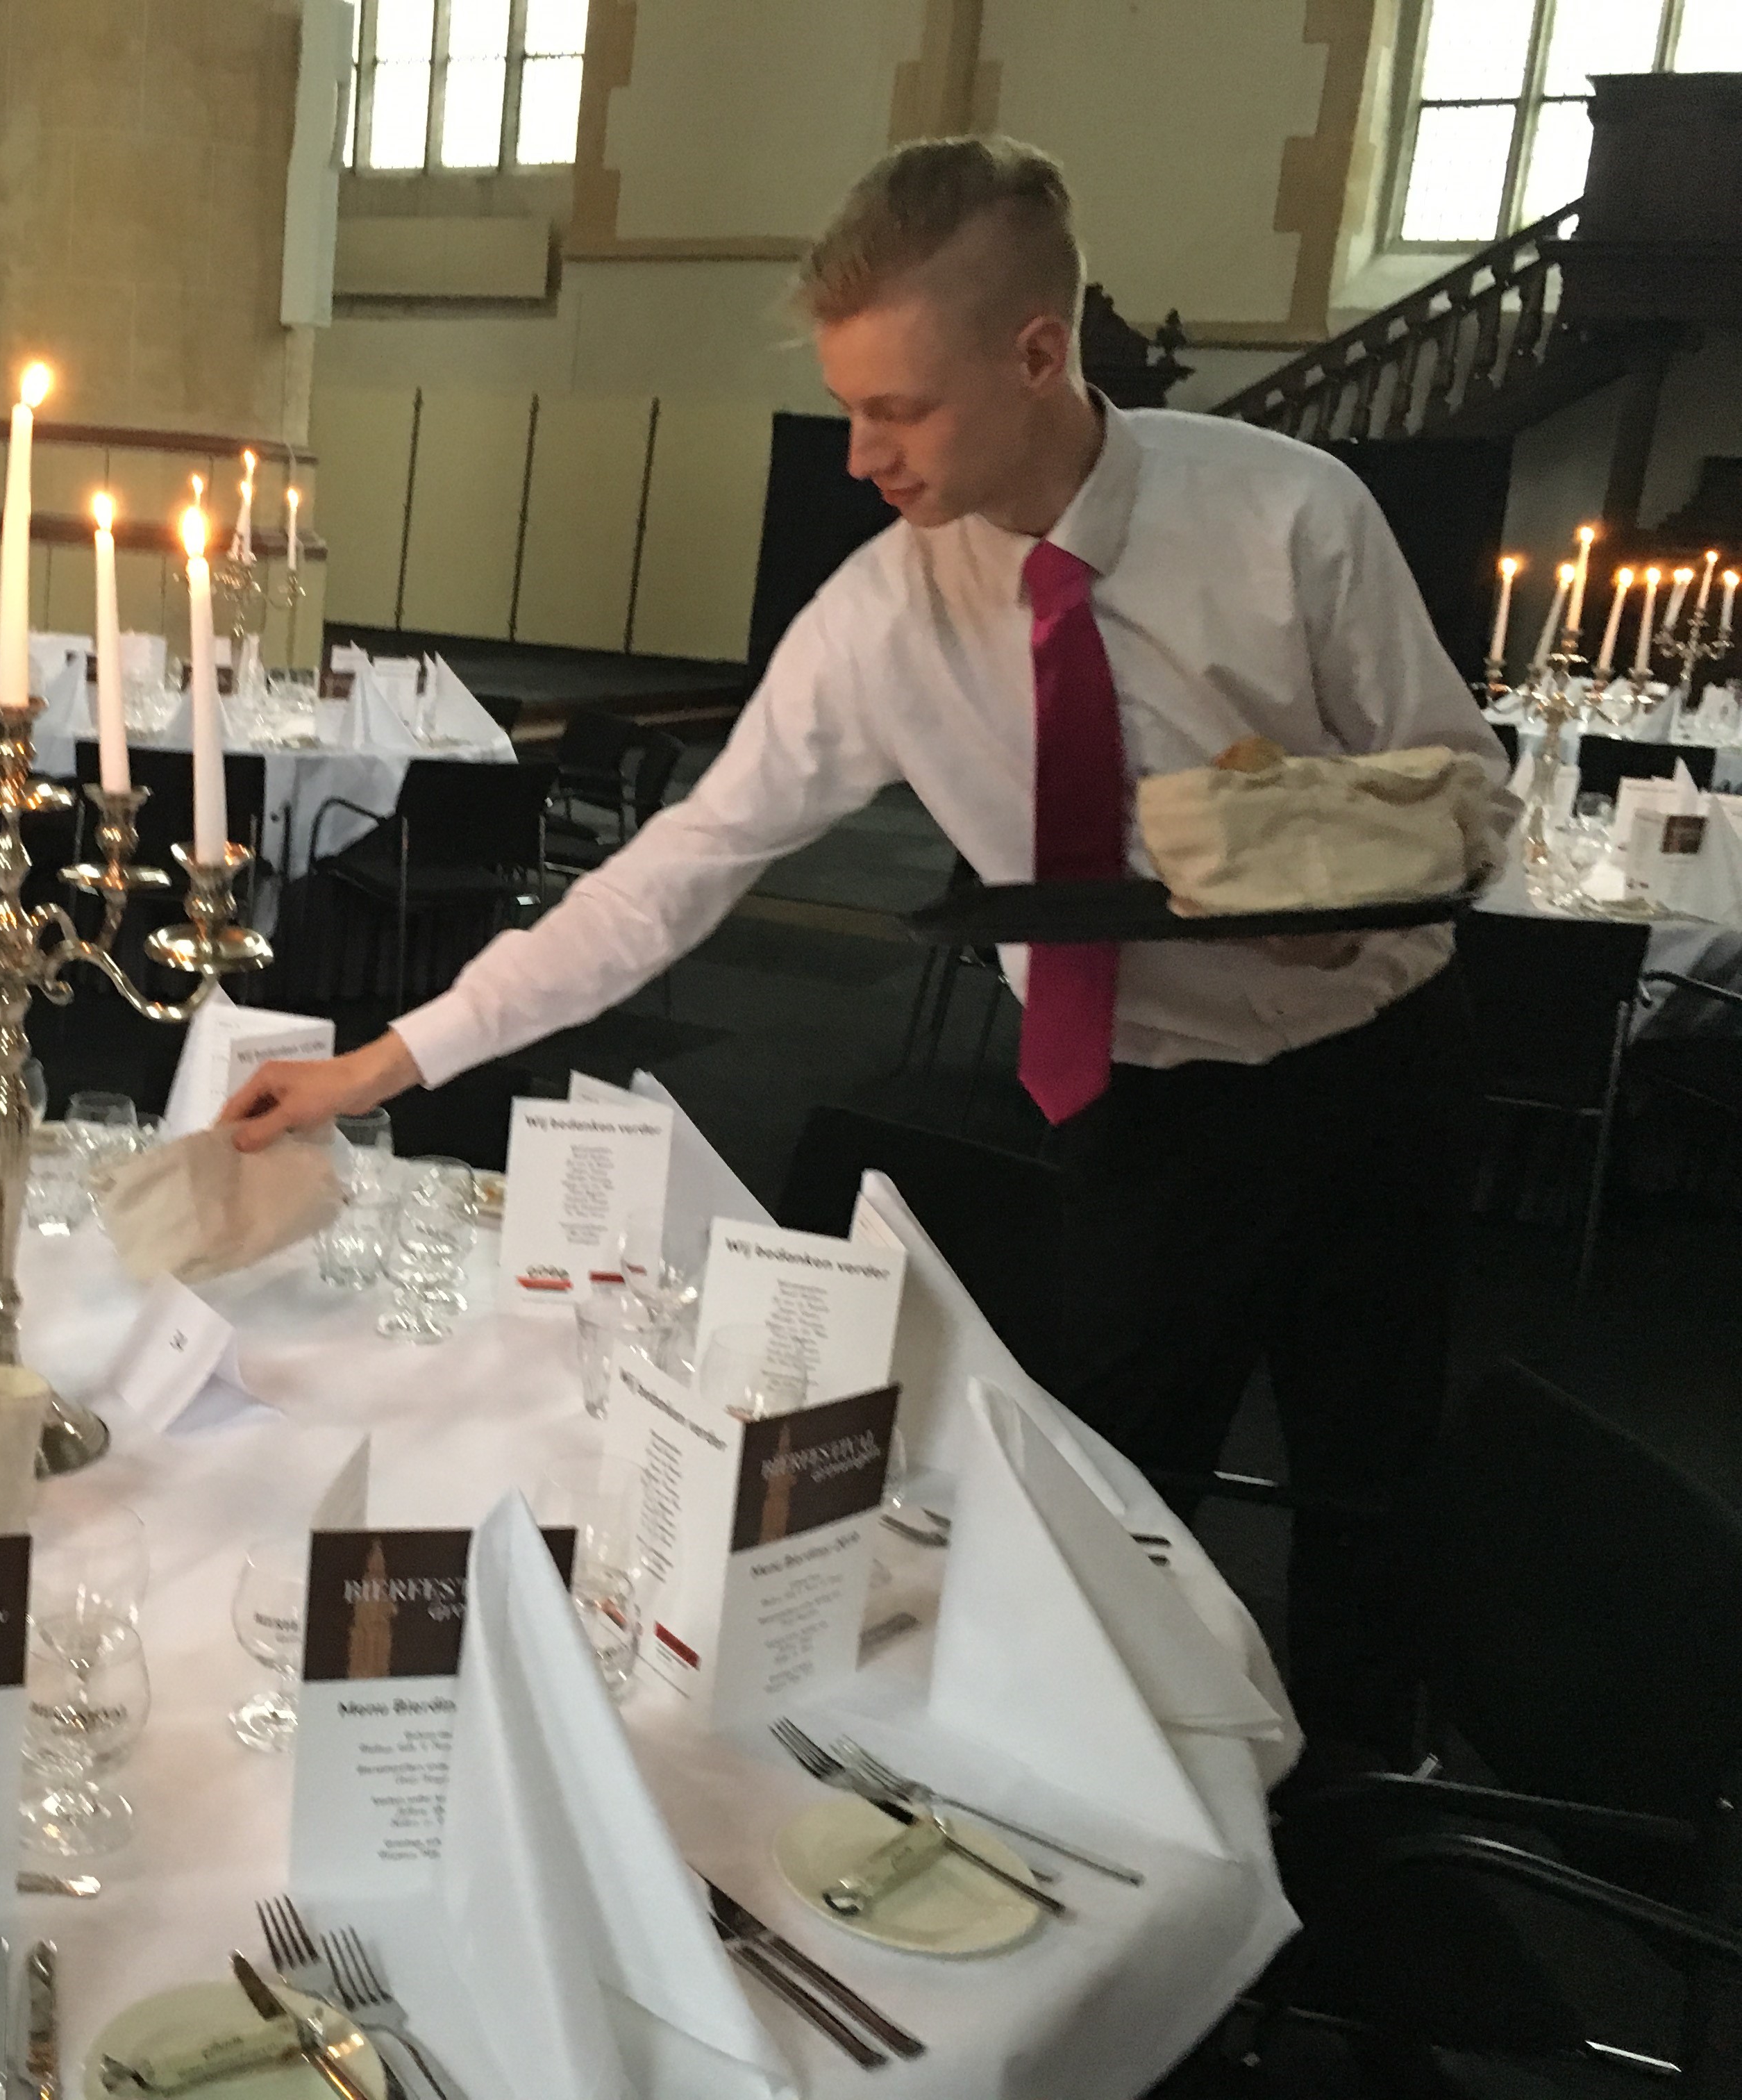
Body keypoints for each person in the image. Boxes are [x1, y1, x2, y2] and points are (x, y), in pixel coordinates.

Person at [220, 137, 1515, 1765]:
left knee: (1370, 1492)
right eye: (850, 407)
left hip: (1375, 1067)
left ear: (1037, 352)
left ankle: (1359, 1871)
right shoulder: (879, 621)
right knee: (1110, 1506)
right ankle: (1136, 1822)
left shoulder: (1287, 520)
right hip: (1146, 1104)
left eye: (897, 408)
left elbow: (1461, 790)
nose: (859, 455)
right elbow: (672, 873)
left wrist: (1309, 852)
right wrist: (385, 1058)